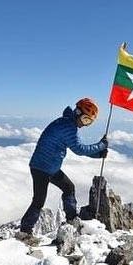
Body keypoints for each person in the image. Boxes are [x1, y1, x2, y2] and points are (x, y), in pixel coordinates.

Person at [16, 98, 108, 244]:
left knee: (68, 187)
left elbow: (75, 147)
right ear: (77, 113)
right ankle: (25, 232)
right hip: (42, 168)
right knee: (39, 201)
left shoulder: (66, 122)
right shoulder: (67, 127)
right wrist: (101, 146)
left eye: (88, 122)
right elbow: (79, 149)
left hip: (48, 167)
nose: (85, 125)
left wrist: (98, 154)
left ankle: (72, 220)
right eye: (85, 119)